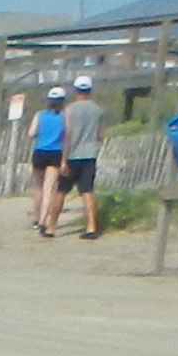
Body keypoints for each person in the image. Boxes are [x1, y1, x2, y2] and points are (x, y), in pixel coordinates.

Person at [56, 74, 104, 240]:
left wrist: (63, 159)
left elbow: (66, 136)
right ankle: (91, 226)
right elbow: (100, 134)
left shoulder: (69, 110)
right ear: (89, 90)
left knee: (61, 191)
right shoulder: (97, 110)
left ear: (76, 90)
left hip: (72, 155)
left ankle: (51, 226)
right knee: (87, 191)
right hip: (90, 154)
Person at [26, 89, 67, 236]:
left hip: (40, 152)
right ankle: (43, 220)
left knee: (38, 188)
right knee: (49, 189)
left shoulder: (40, 114)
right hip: (56, 153)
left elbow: (31, 133)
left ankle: (36, 219)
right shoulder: (64, 116)